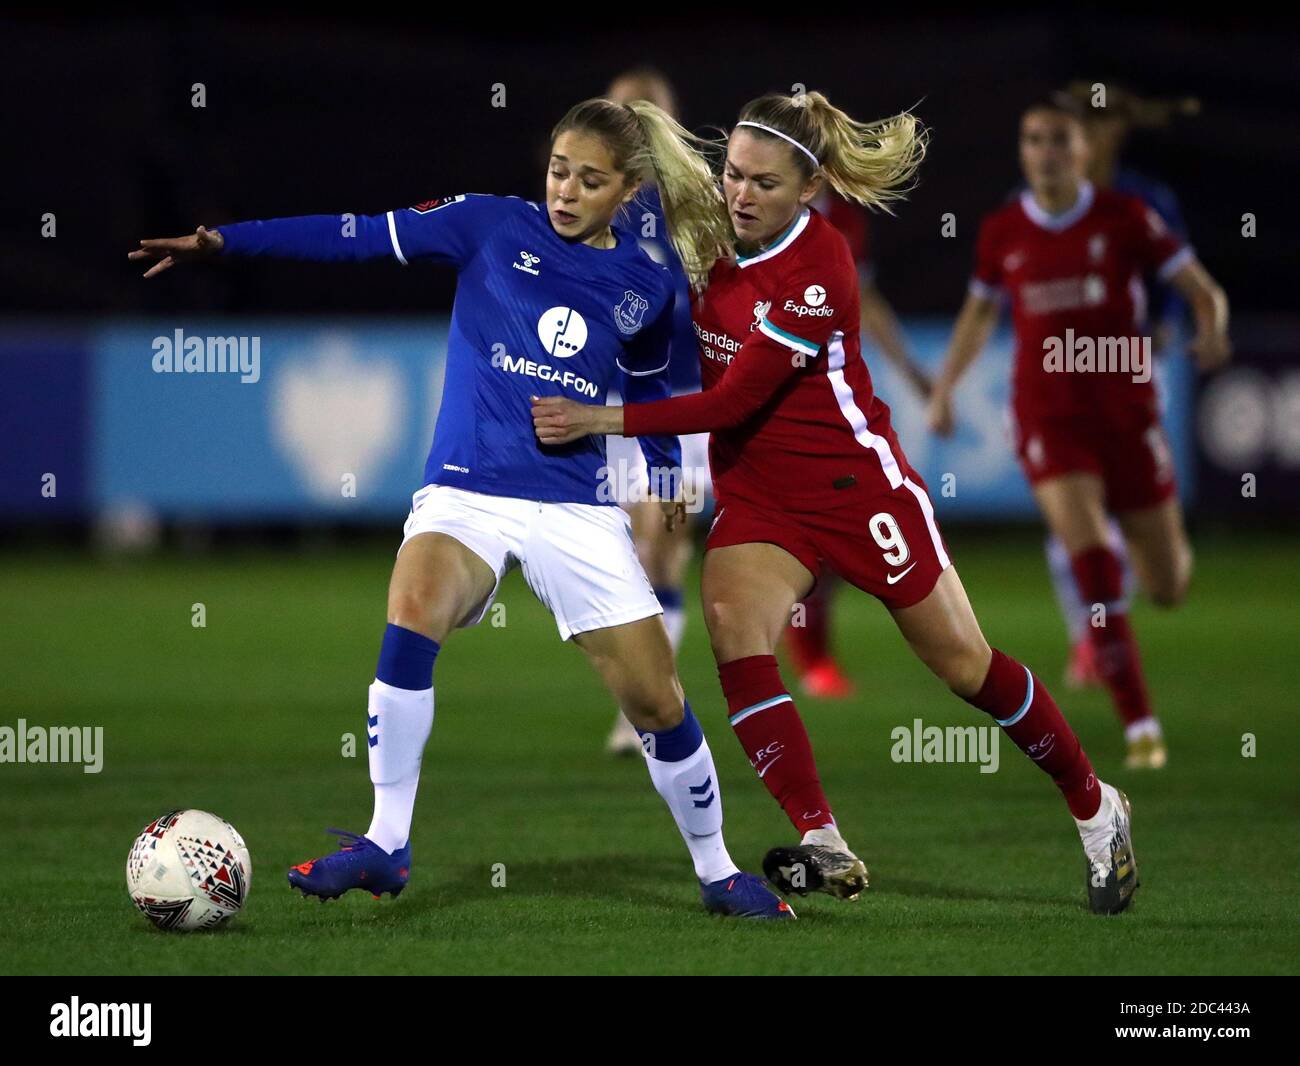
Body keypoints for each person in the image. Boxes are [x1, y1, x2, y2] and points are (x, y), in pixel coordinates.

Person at [130, 97, 793, 919]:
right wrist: (226, 242)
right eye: (557, 170)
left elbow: (656, 389)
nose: (565, 191)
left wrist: (663, 479)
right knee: (412, 604)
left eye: (590, 181)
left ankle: (718, 871)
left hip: (574, 509)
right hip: (466, 488)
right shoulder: (487, 225)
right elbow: (357, 233)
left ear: (627, 191)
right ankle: (388, 842)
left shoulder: (647, 283)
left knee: (657, 702)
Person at [534, 90, 1141, 915]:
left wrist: (602, 419)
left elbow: (730, 403)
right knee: (734, 628)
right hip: (760, 497)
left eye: (764, 184)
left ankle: (1097, 806)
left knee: (967, 668)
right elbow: (670, 345)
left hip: (859, 491)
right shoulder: (709, 232)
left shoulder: (819, 267)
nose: (739, 195)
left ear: (809, 190)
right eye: (731, 175)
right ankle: (821, 836)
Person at [928, 96, 1230, 770]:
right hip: (1049, 421)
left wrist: (1211, 326)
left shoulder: (1126, 217)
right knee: (1094, 568)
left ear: (1084, 151)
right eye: (1034, 139)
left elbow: (1201, 287)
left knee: (1169, 586)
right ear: (1022, 150)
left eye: (1059, 139)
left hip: (1128, 419)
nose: (1046, 152)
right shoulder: (1004, 229)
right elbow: (979, 316)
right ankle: (1140, 726)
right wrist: (945, 388)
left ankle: (1120, 558)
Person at [1042, 82, 1200, 692]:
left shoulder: (1143, 201)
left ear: (1109, 134)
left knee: (1136, 535)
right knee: (1071, 520)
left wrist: (1165, 331)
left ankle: (1118, 605)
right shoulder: (1035, 200)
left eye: (1086, 126)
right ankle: (1091, 635)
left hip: (1127, 372)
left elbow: (1176, 285)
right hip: (1054, 377)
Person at [782, 186, 933, 699]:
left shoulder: (845, 222)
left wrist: (912, 371)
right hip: (774, 397)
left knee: (841, 532)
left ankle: (805, 653)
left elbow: (865, 298)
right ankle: (803, 660)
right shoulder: (747, 213)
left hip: (833, 395)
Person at [600, 67, 713, 755]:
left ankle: (645, 708)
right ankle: (647, 696)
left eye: (647, 115)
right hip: (606, 411)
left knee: (659, 546)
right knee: (626, 567)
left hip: (683, 409)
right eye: (621, 114)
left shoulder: (700, 201)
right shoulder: (588, 201)